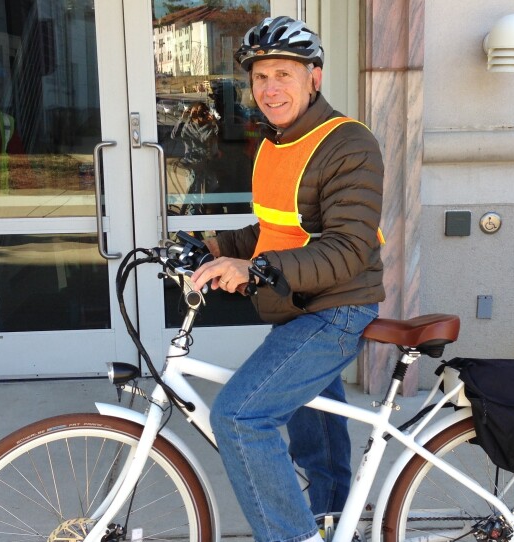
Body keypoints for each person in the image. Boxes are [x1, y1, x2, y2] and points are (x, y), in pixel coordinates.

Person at [190, 16, 385, 542]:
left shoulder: (349, 143)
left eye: (283, 74)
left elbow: (348, 247)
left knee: (238, 418)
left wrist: (254, 271)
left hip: (336, 307)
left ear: (313, 77)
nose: (270, 88)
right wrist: (212, 248)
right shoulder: (275, 143)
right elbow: (275, 229)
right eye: (260, 77)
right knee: (314, 433)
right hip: (297, 302)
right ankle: (332, 524)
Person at [172, 101, 220, 195]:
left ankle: (209, 208)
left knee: (211, 191)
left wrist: (213, 122)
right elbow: (174, 135)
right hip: (194, 163)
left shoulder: (209, 126)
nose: (198, 115)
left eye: (201, 112)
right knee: (195, 192)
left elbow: (216, 137)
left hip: (207, 163)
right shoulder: (188, 126)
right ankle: (197, 208)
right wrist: (182, 119)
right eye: (196, 112)